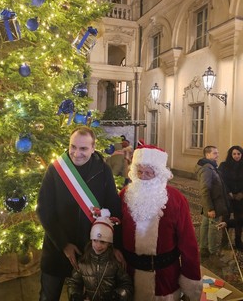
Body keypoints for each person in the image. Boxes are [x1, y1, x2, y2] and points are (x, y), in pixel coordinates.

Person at [36, 126, 122, 301]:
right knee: (48, 296)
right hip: (57, 249)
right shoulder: (56, 169)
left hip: (90, 252)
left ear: (93, 147)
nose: (76, 153)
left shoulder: (103, 170)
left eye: (83, 148)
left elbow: (113, 207)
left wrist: (116, 246)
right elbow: (44, 209)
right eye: (73, 146)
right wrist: (63, 244)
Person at [120, 145, 202, 300]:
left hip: (165, 279)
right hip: (129, 277)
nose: (143, 177)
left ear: (159, 173)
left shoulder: (176, 199)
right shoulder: (125, 195)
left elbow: (188, 242)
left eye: (149, 172)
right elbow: (117, 229)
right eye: (139, 171)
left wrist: (191, 277)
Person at [67, 209, 133, 301]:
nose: (98, 246)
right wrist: (76, 297)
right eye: (95, 240)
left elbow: (127, 285)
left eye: (102, 242)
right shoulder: (83, 262)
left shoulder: (115, 262)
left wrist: (115, 296)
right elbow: (73, 283)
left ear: (109, 243)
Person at [195, 145, 231, 262]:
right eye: (215, 153)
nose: (217, 155)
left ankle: (204, 248)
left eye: (217, 152)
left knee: (205, 225)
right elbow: (205, 189)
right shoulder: (207, 168)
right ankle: (213, 251)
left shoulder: (210, 166)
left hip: (212, 202)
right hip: (213, 203)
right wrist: (210, 208)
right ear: (207, 155)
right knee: (213, 228)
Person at [219, 145, 243, 250]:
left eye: (239, 154)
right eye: (234, 154)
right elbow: (220, 180)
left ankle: (238, 241)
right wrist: (228, 192)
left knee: (239, 219)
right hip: (227, 197)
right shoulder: (224, 165)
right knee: (225, 218)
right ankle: (224, 241)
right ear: (230, 154)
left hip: (240, 198)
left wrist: (242, 193)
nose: (236, 156)